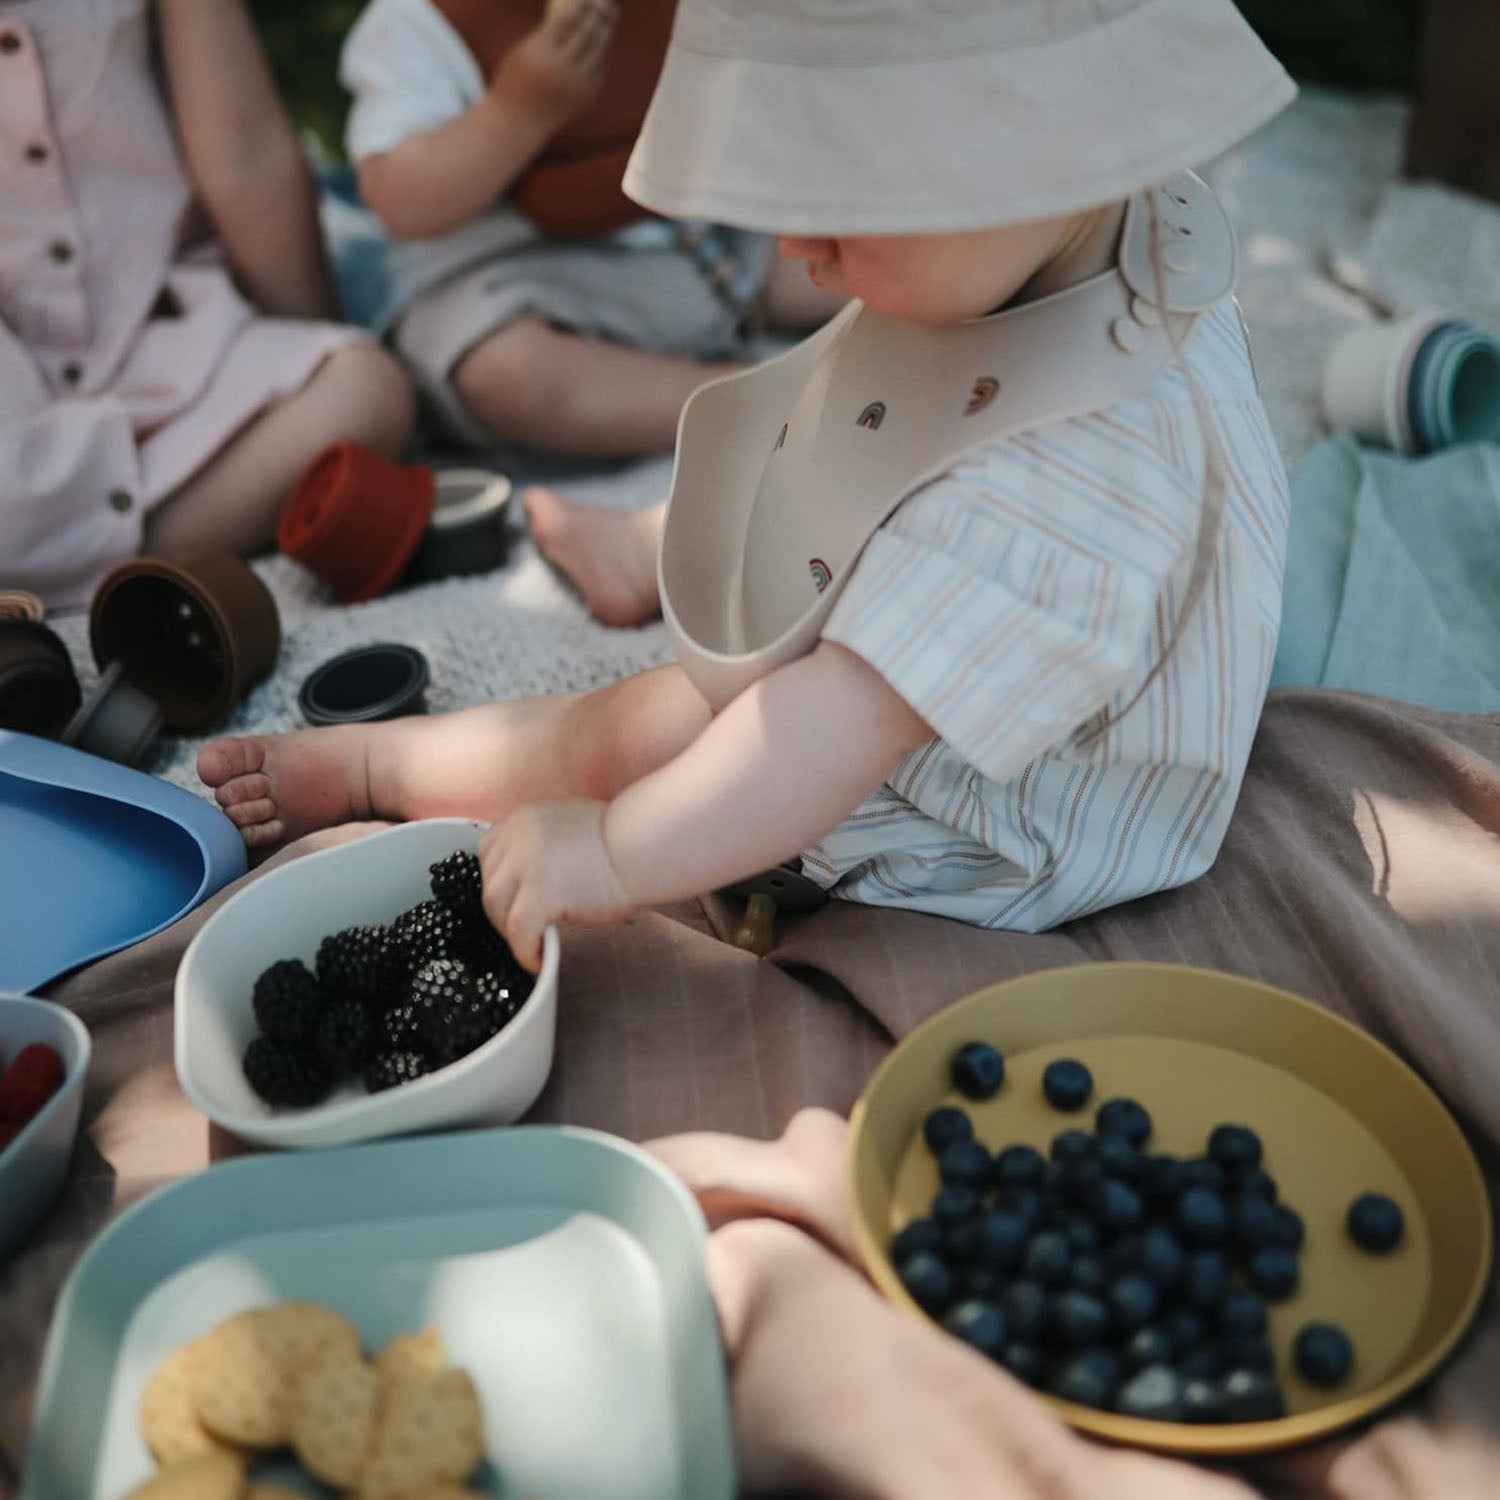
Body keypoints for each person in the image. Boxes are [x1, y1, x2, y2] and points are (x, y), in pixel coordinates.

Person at [201, 0, 1296, 970]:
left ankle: (378, 766)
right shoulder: (1103, 221)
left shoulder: (1061, 481)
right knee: (820, 434)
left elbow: (825, 732)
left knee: (632, 738)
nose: (794, 241)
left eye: (840, 197)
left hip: (1002, 835)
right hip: (1021, 660)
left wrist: (616, 848)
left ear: (1032, 147)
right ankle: (647, 540)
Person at [0, 0, 415, 613]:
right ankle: (113, 558)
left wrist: (317, 346)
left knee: (367, 388)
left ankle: (80, 558)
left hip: (161, 328)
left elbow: (244, 155)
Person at [339, 0, 841, 459]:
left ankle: (891, 329)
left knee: (848, 240)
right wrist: (516, 111)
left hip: (704, 236)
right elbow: (402, 200)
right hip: (534, 281)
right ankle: (738, 402)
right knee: (501, 371)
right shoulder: (413, 26)